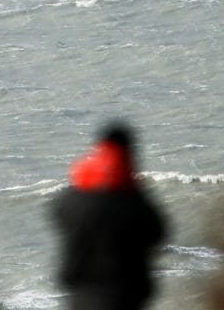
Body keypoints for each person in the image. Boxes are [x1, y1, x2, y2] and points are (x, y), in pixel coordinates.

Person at [51, 122, 167, 310]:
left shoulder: (76, 198)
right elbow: (157, 232)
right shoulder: (130, 200)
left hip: (82, 291)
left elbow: (58, 211)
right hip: (124, 293)